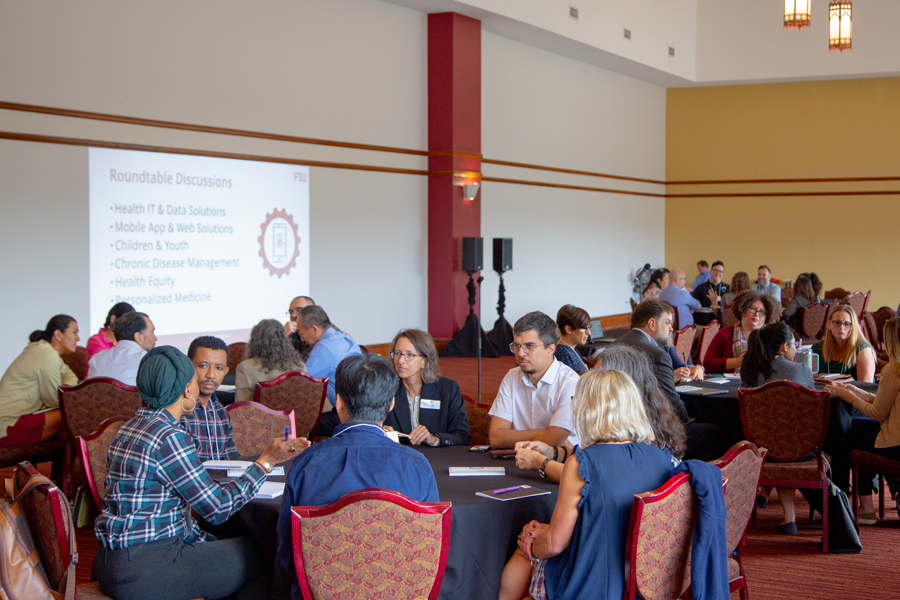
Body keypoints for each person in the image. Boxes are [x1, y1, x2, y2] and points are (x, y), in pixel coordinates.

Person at [93, 346, 304, 600]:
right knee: (267, 553)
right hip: (147, 568)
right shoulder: (169, 437)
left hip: (109, 562)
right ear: (187, 389)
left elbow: (171, 515)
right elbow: (217, 509)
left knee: (234, 545)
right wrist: (266, 461)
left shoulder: (128, 429)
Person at [498, 370, 674, 600]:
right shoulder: (661, 458)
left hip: (592, 586)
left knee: (526, 546)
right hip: (644, 582)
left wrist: (531, 542)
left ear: (589, 410)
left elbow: (554, 545)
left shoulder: (583, 463)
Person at [276, 353, 439, 600]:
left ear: (339, 403)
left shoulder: (306, 464)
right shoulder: (417, 465)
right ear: (391, 404)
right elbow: (430, 550)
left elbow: (289, 554)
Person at [515, 345, 687, 482]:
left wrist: (539, 462)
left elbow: (583, 475)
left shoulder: (643, 432)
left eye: (598, 375)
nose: (592, 381)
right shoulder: (641, 418)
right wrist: (553, 452)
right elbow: (595, 458)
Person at [612, 300, 725, 461]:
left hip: (619, 430)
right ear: (652, 323)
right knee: (718, 434)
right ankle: (684, 478)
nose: (671, 328)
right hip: (654, 434)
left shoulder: (612, 347)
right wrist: (688, 421)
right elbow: (671, 403)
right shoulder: (657, 354)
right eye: (667, 322)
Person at [740, 323, 815, 535]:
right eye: (794, 344)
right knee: (786, 441)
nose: (795, 348)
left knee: (777, 442)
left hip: (760, 448)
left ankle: (767, 496)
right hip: (799, 448)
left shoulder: (751, 370)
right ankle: (788, 516)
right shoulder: (802, 371)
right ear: (784, 347)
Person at [826, 318, 900, 525]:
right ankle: (864, 502)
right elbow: (888, 404)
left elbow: (877, 413)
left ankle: (865, 508)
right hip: (895, 430)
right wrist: (857, 391)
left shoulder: (894, 370)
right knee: (851, 428)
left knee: (850, 440)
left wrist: (850, 398)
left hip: (895, 441)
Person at [489, 312, 580, 449]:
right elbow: (496, 438)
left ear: (550, 349)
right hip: (518, 462)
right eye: (517, 345)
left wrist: (516, 437)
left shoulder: (570, 383)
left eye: (529, 346)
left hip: (559, 465)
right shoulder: (511, 377)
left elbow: (552, 442)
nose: (520, 353)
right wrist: (544, 432)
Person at [0, 315, 79, 447]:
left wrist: (65, 386)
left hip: (15, 421)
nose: (78, 338)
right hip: (9, 426)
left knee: (69, 432)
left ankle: (65, 466)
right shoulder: (47, 355)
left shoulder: (42, 349)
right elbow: (54, 400)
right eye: (74, 332)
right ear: (58, 334)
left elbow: (70, 376)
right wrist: (66, 391)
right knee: (74, 414)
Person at [383, 328, 471, 446]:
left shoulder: (448, 389)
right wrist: (383, 432)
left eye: (409, 355)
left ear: (424, 361)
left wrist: (434, 439)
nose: (400, 361)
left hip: (437, 460)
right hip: (400, 459)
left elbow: (463, 436)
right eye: (398, 353)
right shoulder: (385, 390)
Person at [183, 336, 239, 461]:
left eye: (219, 368)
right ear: (189, 366)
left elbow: (232, 461)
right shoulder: (179, 410)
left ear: (226, 371)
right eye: (203, 366)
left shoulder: (222, 414)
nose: (211, 375)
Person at [703, 290, 782, 374]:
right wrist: (738, 361)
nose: (756, 314)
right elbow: (707, 365)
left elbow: (784, 366)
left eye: (762, 312)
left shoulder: (772, 337)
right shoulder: (725, 333)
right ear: (742, 309)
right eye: (752, 309)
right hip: (729, 385)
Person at [235, 319, 306, 404]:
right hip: (296, 416)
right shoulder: (300, 366)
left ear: (254, 341)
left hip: (262, 417)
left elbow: (242, 407)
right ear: (284, 340)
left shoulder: (245, 368)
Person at [87, 311, 157, 386]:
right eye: (152, 332)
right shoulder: (150, 362)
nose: (155, 338)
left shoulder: (95, 360)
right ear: (139, 337)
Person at [812, 303, 876, 382]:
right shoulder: (817, 348)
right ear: (829, 324)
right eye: (837, 323)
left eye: (847, 324)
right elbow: (809, 382)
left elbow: (865, 388)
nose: (841, 327)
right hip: (825, 393)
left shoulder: (862, 349)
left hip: (853, 394)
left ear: (853, 326)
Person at [84, 302, 134, 377]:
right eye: (126, 323)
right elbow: (106, 367)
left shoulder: (130, 341)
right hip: (97, 384)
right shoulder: (95, 341)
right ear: (113, 319)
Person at [554, 304, 590, 374]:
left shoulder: (572, 348)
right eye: (585, 328)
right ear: (568, 329)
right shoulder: (562, 353)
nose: (589, 333)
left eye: (589, 327)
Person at [691, 261, 729, 326]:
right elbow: (693, 305)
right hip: (703, 323)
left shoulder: (728, 288)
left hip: (722, 323)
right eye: (715, 270)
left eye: (720, 271)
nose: (718, 273)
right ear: (710, 272)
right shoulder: (701, 288)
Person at [283, 295, 315, 360]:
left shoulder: (324, 330)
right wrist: (282, 334)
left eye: (298, 310)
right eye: (291, 312)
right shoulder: (291, 333)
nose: (293, 315)